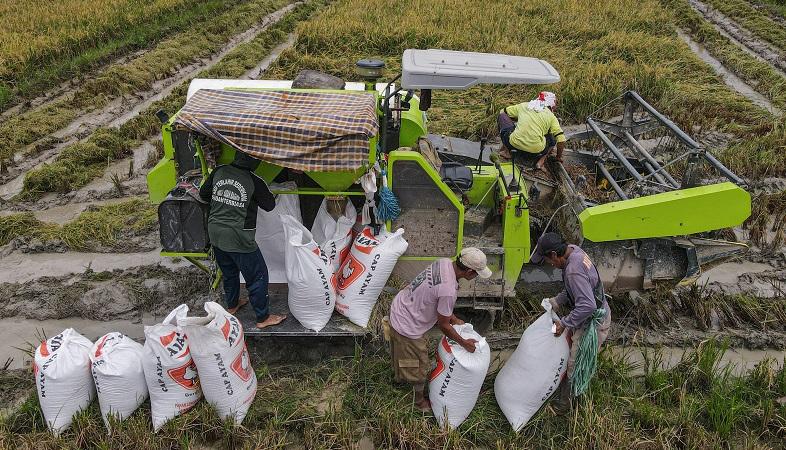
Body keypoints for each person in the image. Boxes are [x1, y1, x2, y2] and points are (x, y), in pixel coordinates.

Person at [387, 247, 492, 412]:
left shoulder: (444, 263)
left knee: (401, 352)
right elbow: (443, 326)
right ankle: (419, 402)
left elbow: (435, 298)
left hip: (401, 305)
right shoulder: (448, 290)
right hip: (407, 324)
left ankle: (400, 377)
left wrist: (454, 319)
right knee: (419, 365)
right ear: (470, 272)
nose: (476, 276)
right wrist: (464, 343)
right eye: (477, 273)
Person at [199, 150, 287, 329]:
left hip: (215, 232)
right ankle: (263, 318)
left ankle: (232, 305)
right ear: (256, 163)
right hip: (238, 236)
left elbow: (203, 194)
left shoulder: (219, 171)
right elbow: (269, 205)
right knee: (258, 275)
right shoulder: (254, 181)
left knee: (229, 271)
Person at [530, 232, 612, 413]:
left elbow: (587, 305)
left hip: (593, 323)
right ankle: (568, 396)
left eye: (548, 260)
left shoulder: (573, 269)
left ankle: (566, 405)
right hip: (591, 315)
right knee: (571, 357)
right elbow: (575, 288)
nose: (550, 264)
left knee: (576, 363)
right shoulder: (574, 251)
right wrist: (557, 301)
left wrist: (564, 323)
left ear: (553, 254)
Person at [497, 91, 567, 170]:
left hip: (513, 145)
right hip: (536, 152)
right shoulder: (551, 117)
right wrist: (558, 157)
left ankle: (507, 152)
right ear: (551, 104)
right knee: (555, 135)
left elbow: (503, 112)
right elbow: (561, 140)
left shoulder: (524, 105)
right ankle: (541, 161)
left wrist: (517, 118)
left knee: (502, 116)